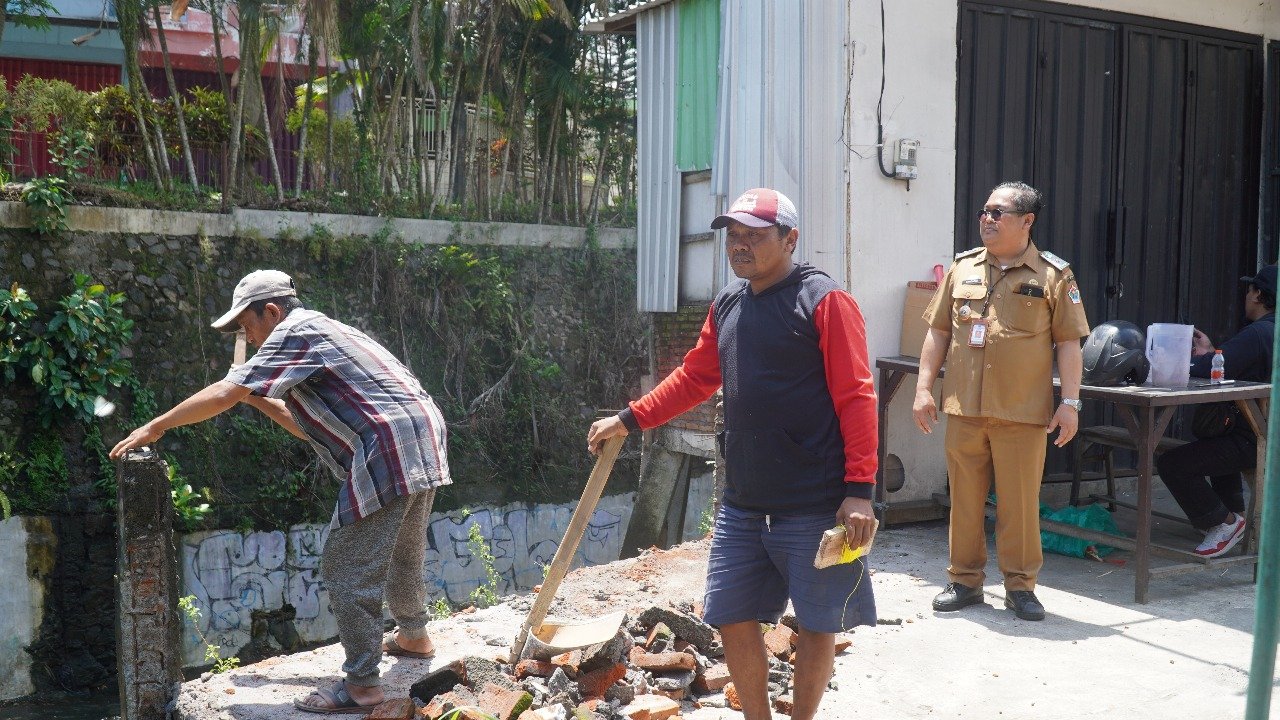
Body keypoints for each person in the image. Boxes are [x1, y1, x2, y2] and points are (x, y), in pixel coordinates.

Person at [587, 187, 878, 720]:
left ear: (789, 239)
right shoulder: (728, 304)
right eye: (734, 236)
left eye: (755, 236)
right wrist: (631, 418)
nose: (739, 246)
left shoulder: (825, 301)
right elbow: (694, 378)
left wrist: (859, 491)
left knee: (818, 623)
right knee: (730, 613)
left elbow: (857, 395)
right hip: (743, 503)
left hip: (818, 504)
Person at [109, 270, 450, 714]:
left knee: (347, 563)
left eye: (247, 326)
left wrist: (155, 427)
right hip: (419, 432)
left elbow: (223, 392)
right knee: (402, 552)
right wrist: (250, 394)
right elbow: (305, 427)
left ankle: (363, 686)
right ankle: (414, 637)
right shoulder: (323, 332)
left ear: (271, 311)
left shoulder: (295, 330)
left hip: (387, 442)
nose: (248, 338)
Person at [913, 181, 1090, 622]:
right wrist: (922, 389)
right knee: (966, 501)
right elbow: (937, 332)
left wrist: (1071, 403)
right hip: (965, 410)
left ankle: (1020, 587)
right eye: (984, 211)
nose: (987, 219)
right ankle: (965, 581)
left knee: (1019, 505)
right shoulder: (963, 268)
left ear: (1027, 221)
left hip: (1022, 413)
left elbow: (1070, 344)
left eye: (999, 213)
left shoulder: (1053, 276)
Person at [1155, 265, 1276, 558]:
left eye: (1249, 290)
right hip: (1263, 434)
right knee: (1217, 444)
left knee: (1172, 464)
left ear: (1258, 295)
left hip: (1257, 440)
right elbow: (1227, 364)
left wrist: (1173, 363)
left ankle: (1224, 523)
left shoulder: (1260, 332)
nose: (1246, 296)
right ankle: (1232, 512)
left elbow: (1209, 370)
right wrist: (1211, 352)